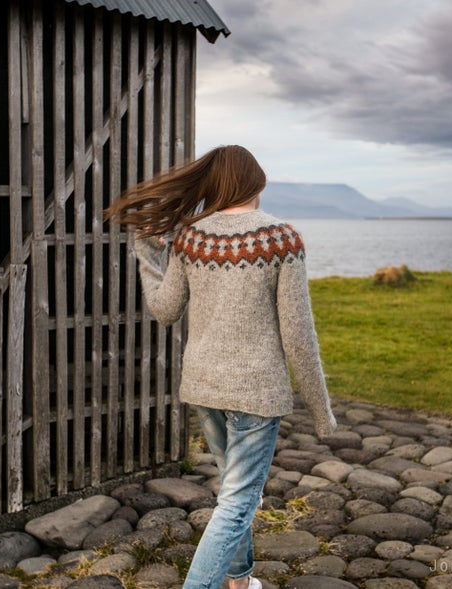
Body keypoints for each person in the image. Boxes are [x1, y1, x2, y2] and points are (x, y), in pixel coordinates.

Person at [104, 145, 336, 589]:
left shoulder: (191, 238)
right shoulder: (280, 240)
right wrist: (321, 410)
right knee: (238, 502)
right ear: (254, 185)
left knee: (235, 495)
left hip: (204, 387)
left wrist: (147, 252)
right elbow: (298, 335)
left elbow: (166, 309)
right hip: (254, 393)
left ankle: (239, 581)